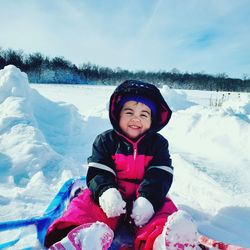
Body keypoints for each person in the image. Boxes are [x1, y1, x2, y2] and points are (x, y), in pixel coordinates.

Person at [44, 80, 198, 250]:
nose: (135, 119)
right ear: (118, 114)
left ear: (152, 121)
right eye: (129, 112)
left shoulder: (158, 144)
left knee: (164, 209)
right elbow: (99, 170)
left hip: (144, 199)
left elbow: (160, 174)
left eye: (144, 114)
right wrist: (106, 192)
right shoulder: (105, 141)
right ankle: (80, 237)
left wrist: (149, 199)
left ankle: (162, 242)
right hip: (113, 198)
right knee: (86, 203)